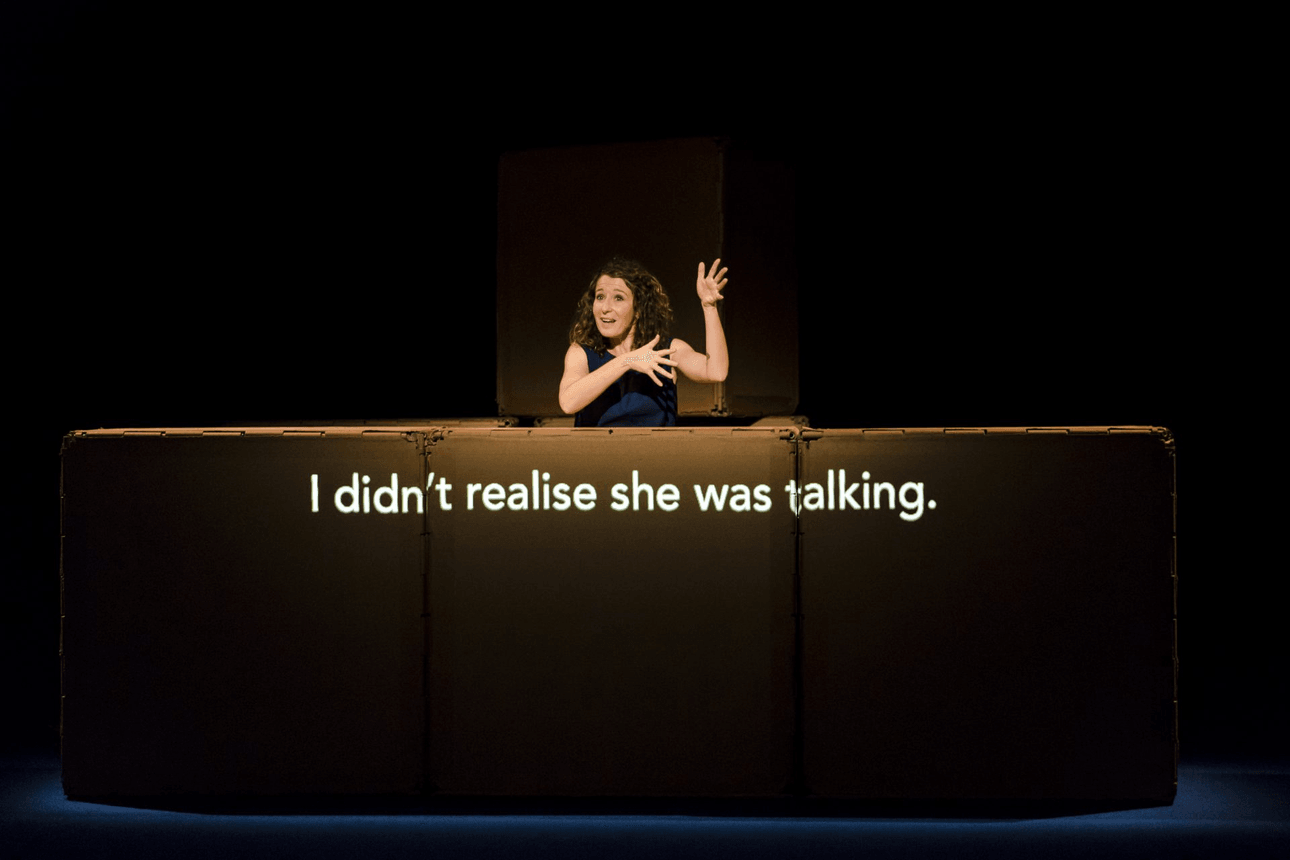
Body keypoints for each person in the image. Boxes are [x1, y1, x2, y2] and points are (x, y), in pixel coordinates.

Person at [559, 257, 729, 426]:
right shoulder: (581, 352)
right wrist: (627, 361)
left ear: (639, 308)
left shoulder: (667, 349)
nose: (605, 308)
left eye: (618, 298)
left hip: (653, 452)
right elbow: (568, 403)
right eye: (600, 297)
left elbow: (716, 372)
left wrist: (709, 307)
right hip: (597, 452)